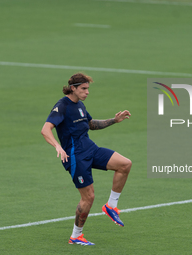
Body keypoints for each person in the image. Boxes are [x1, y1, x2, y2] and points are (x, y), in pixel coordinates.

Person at [41, 72, 132, 246]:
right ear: (73, 88)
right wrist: (57, 146)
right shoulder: (62, 106)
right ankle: (76, 236)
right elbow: (45, 130)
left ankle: (111, 206)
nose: (87, 92)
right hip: (76, 157)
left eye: (88, 89)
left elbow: (90, 124)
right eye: (83, 89)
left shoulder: (80, 105)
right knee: (88, 197)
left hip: (91, 149)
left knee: (125, 164)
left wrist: (114, 120)